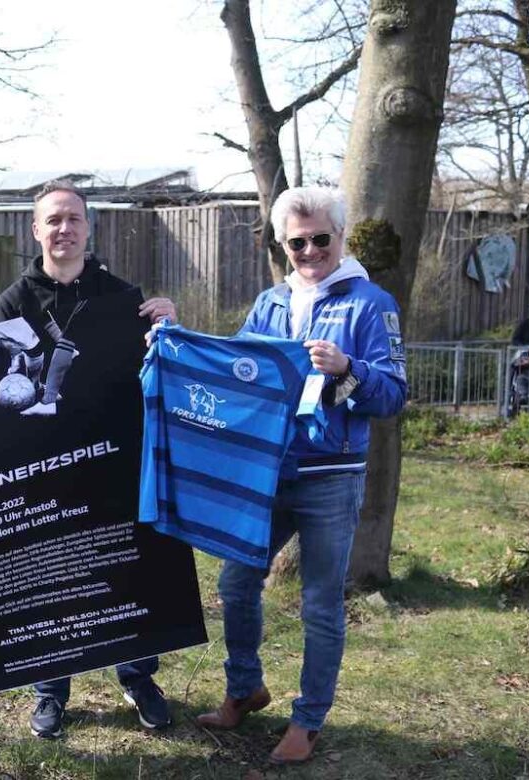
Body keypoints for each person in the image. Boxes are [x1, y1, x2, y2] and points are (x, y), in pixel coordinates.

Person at [196, 186, 407, 764]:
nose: (309, 250)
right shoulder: (269, 302)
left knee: (319, 604)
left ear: (340, 237)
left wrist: (349, 369)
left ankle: (307, 720)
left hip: (330, 477)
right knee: (236, 584)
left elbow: (392, 394)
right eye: (297, 241)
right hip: (266, 473)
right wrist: (173, 342)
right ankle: (245, 688)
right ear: (281, 244)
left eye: (320, 238)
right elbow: (235, 374)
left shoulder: (370, 303)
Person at [0, 179, 177, 739]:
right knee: (51, 574)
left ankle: (138, 675)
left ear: (88, 227)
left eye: (73, 218)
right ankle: (50, 689)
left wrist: (167, 321)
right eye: (53, 220)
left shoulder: (124, 297)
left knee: (127, 569)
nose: (63, 229)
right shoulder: (13, 301)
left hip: (115, 459)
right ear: (36, 231)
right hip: (46, 467)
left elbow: (159, 369)